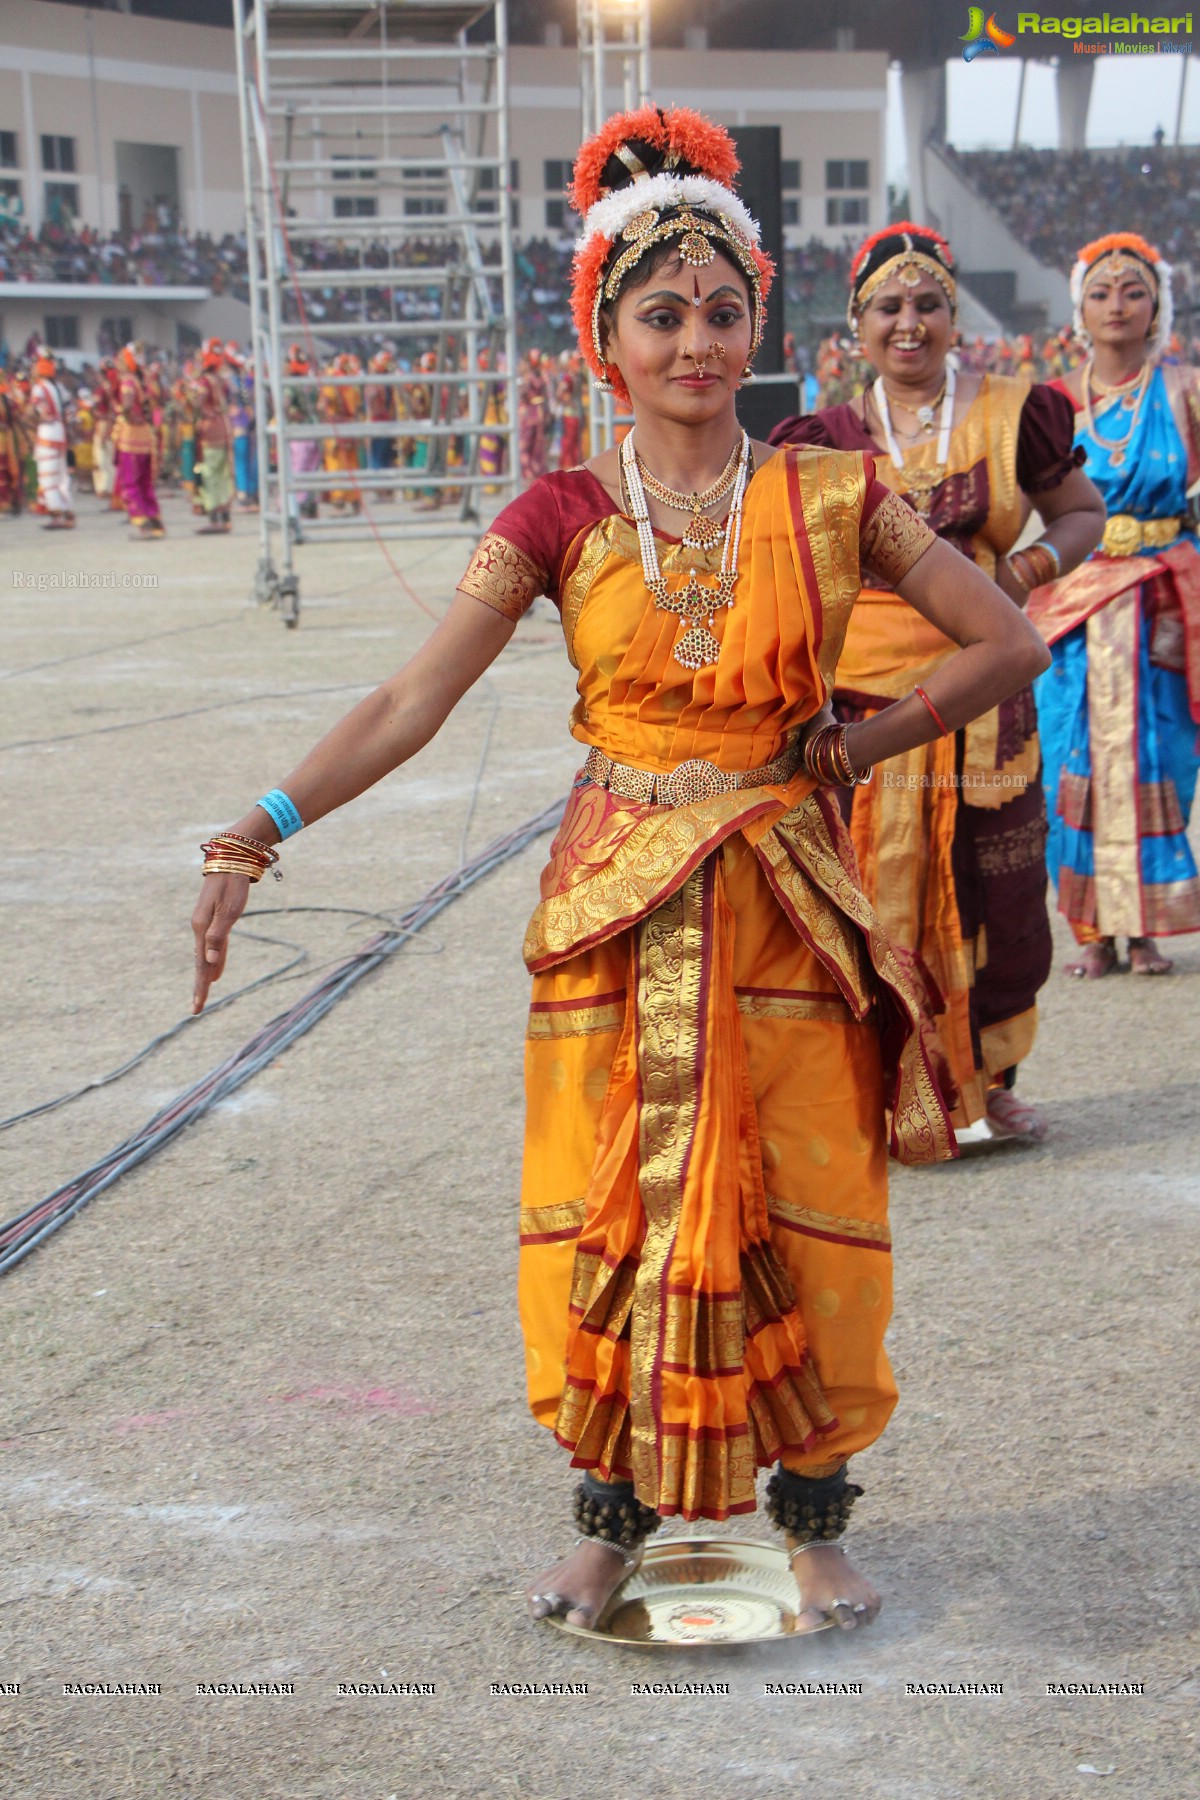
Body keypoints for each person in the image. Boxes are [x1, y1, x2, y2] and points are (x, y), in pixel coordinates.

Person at [190, 107, 1049, 1636]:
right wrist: (261, 825)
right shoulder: (560, 515)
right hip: (611, 912)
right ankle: (605, 1515)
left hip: (787, 896)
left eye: (723, 310)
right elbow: (408, 700)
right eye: (661, 314)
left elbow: (1008, 638)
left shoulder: (834, 495)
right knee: (606, 1207)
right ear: (605, 334)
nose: (697, 341)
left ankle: (813, 1516)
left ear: (756, 320)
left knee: (810, 1200)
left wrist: (868, 741)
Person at [771, 224, 1105, 1141]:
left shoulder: (1014, 409)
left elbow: (1081, 512)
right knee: (864, 900)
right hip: (868, 709)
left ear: (955, 318)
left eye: (928, 305)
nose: (909, 323)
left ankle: (990, 1083)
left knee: (999, 891)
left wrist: (1027, 572)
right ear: (856, 326)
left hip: (989, 693)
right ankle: (874, 1090)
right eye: (889, 307)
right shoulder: (822, 440)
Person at [1028, 232, 1200, 975]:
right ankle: (1093, 932)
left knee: (1157, 756)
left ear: (1157, 303)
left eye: (1133, 291)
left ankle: (1149, 925)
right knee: (1073, 755)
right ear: (1080, 309)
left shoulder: (1187, 388)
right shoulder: (1054, 401)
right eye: (1101, 293)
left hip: (1160, 604)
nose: (1117, 305)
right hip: (1075, 605)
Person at [113, 343, 165, 538]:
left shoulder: (127, 382)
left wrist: (125, 415)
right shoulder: (142, 381)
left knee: (130, 483)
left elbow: (127, 405)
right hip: (145, 437)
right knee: (144, 483)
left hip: (131, 438)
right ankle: (154, 521)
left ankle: (144, 524)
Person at [189, 343, 234, 533]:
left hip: (209, 430)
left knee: (210, 473)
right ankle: (225, 517)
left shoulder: (204, 381)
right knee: (223, 474)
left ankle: (214, 518)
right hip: (224, 427)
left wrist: (190, 396)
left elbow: (197, 402)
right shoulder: (223, 380)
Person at [28, 349, 74, 529]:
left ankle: (58, 515)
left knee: (48, 477)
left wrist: (29, 418)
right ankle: (67, 513)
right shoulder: (58, 387)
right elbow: (70, 411)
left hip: (48, 432)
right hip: (60, 432)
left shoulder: (39, 388)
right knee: (61, 476)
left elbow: (42, 414)